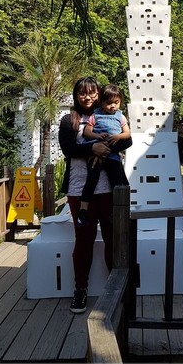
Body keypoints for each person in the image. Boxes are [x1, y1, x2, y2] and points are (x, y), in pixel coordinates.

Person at [58, 76, 132, 314]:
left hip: (109, 189)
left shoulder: (111, 114)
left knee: (113, 237)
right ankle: (80, 289)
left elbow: (127, 141)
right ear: (76, 95)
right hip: (79, 190)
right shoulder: (69, 120)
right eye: (82, 93)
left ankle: (117, 289)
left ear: (99, 94)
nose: (87, 97)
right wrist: (92, 147)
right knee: (83, 239)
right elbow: (68, 149)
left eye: (92, 92)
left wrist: (103, 149)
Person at [77, 83, 131, 227]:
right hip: (95, 154)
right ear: (101, 102)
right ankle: (83, 210)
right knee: (91, 180)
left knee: (117, 183)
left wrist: (118, 137)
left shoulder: (121, 117)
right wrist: (97, 136)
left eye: (116, 103)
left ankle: (115, 210)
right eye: (109, 103)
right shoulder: (96, 115)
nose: (113, 106)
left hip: (112, 156)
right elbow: (86, 132)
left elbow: (127, 134)